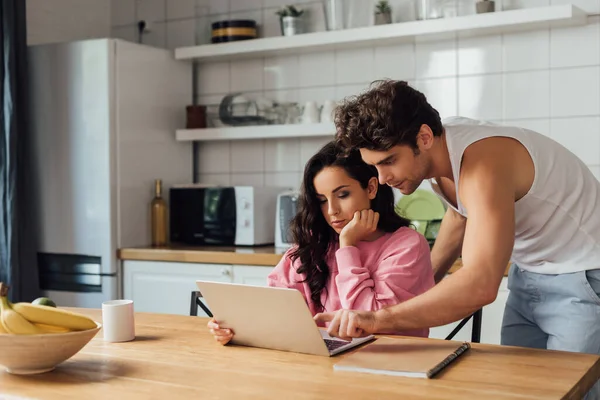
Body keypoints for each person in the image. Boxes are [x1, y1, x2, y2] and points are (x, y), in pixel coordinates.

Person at [316, 79, 600, 397]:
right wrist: (414, 289)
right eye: (374, 166)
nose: (383, 179)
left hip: (586, 277)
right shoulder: (442, 147)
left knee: (575, 393)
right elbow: (460, 214)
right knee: (524, 390)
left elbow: (480, 283)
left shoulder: (483, 166)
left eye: (389, 161)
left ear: (423, 137)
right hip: (529, 273)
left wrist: (377, 318)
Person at [208, 141, 435, 345]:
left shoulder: (408, 246)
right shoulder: (313, 246)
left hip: (393, 368)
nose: (332, 211)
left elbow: (371, 319)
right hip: (320, 370)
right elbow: (274, 313)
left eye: (343, 194)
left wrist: (348, 247)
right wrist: (235, 326)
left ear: (372, 188)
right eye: (322, 201)